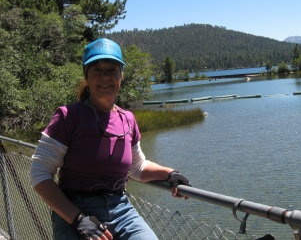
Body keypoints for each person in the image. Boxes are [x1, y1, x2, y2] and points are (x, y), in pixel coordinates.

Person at [30, 38, 191, 240]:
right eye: (97, 69)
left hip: (120, 208)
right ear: (86, 76)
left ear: (121, 76)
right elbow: (40, 176)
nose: (105, 77)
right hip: (74, 211)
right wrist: (79, 219)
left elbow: (136, 167)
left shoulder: (128, 119)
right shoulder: (68, 117)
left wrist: (170, 174)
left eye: (112, 69)